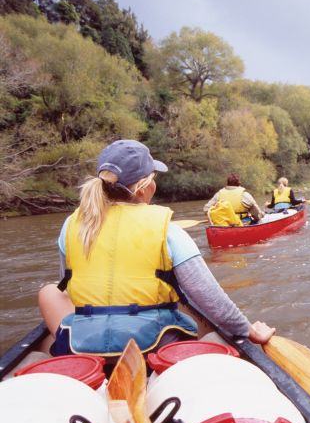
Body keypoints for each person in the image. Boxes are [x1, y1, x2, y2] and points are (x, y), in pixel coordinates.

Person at [38, 140, 275, 358]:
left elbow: (70, 285)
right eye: (153, 177)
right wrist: (250, 331)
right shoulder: (169, 231)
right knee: (196, 315)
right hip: (153, 344)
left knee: (49, 291)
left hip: (83, 343)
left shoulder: (72, 224)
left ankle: (75, 346)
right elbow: (212, 301)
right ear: (144, 188)